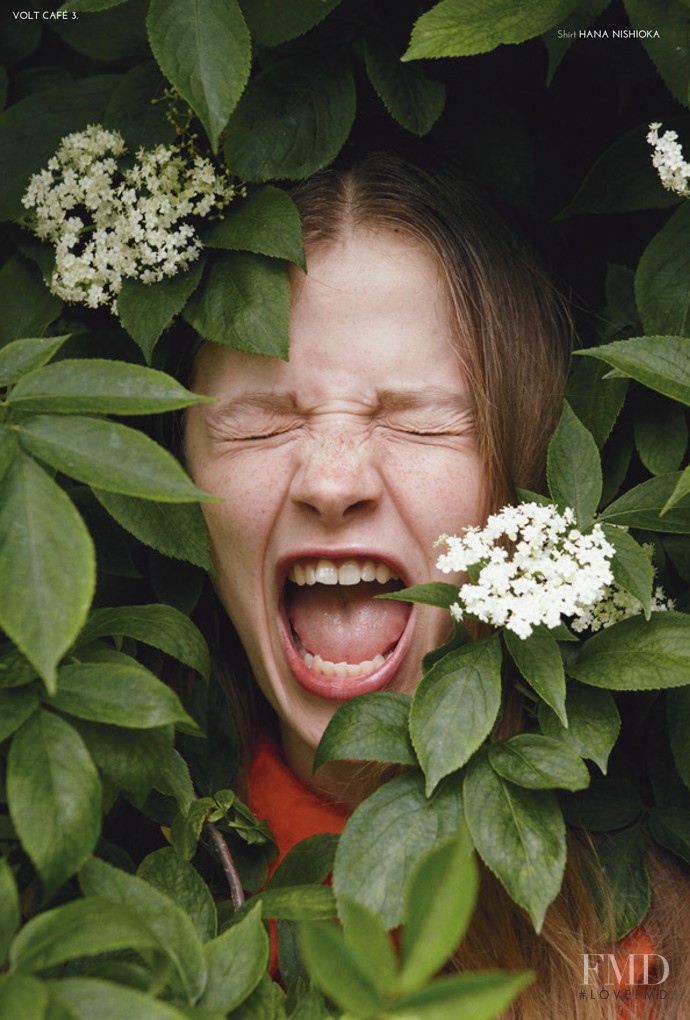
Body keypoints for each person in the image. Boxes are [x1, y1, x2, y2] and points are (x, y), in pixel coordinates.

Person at [184, 154, 690, 1019]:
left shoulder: (651, 960)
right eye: (266, 422)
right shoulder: (105, 919)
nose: (331, 481)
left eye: (421, 422)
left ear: (521, 484)